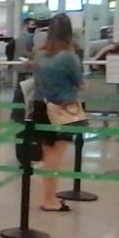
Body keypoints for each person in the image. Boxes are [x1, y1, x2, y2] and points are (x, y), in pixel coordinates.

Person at [29, 16, 86, 212]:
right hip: (63, 108)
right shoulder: (69, 56)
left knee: (47, 153)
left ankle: (48, 195)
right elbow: (80, 82)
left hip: (40, 106)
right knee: (56, 155)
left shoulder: (39, 54)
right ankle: (49, 199)